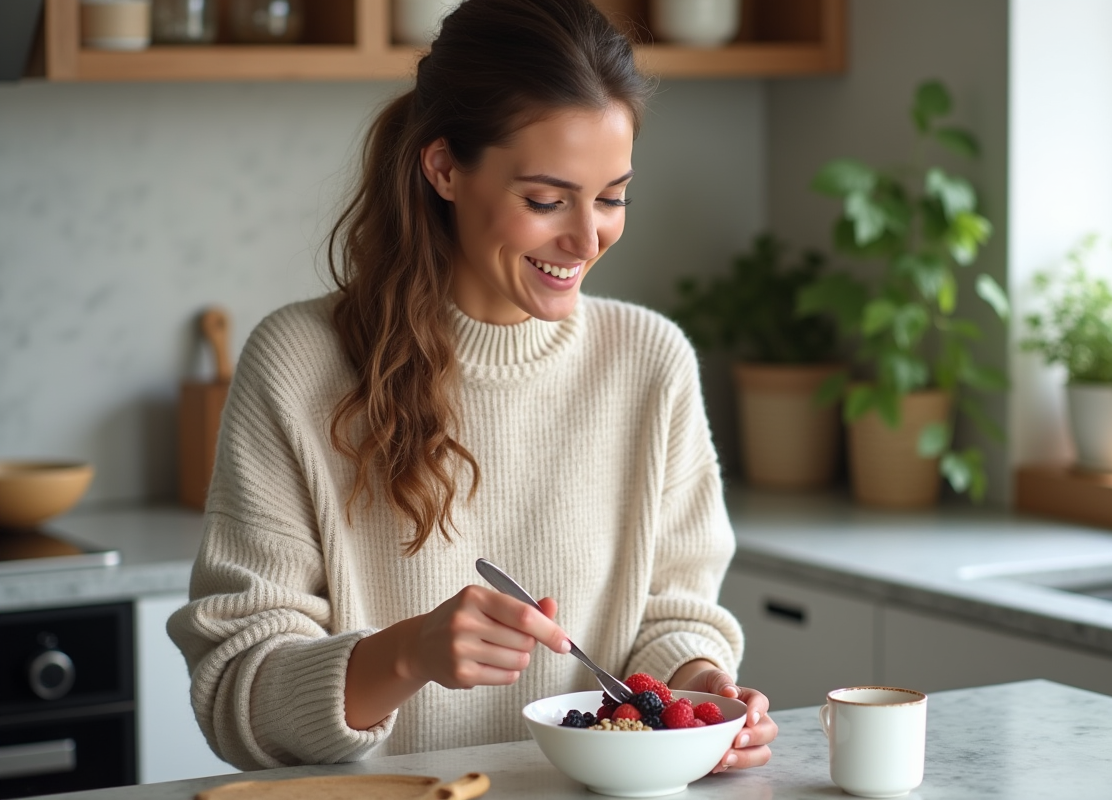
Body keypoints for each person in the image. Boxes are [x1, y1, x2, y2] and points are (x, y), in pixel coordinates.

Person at [167, 0, 777, 774]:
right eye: (546, 200)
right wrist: (406, 655)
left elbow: (671, 614)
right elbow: (234, 695)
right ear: (446, 167)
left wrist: (697, 691)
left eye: (613, 196)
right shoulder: (298, 365)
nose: (587, 238)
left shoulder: (650, 362)